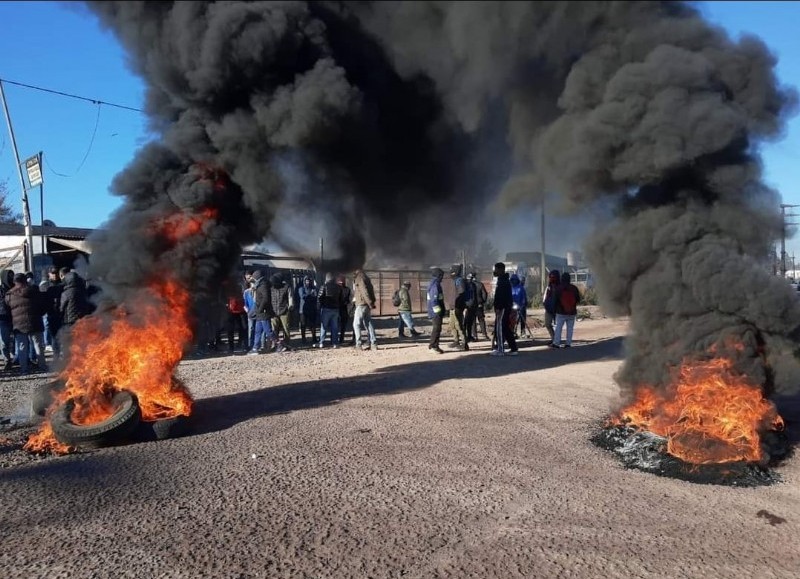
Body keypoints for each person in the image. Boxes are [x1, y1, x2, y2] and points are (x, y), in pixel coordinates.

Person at [6, 272, 46, 374]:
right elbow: (42, 305)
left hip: (18, 324)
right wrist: (41, 313)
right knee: (38, 345)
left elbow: (7, 307)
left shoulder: (9, 294)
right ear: (25, 280)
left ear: (15, 281)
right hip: (35, 321)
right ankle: (42, 366)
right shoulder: (34, 290)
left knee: (22, 347)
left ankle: (24, 369)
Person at [491, 262, 518, 356]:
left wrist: (498, 307)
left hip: (503, 308)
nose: (495, 271)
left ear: (501, 270)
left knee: (500, 328)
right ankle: (513, 348)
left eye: (496, 269)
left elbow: (501, 297)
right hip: (504, 307)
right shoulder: (502, 280)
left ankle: (500, 349)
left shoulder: (503, 281)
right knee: (506, 328)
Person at [552, 271, 581, 348]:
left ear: (562, 279)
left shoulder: (558, 288)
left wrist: (554, 311)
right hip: (572, 312)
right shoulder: (574, 288)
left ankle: (556, 343)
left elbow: (555, 301)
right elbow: (578, 300)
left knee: (558, 328)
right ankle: (568, 343)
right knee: (570, 328)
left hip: (560, 312)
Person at [249, 269, 275, 354]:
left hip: (264, 312)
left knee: (268, 331)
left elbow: (265, 298)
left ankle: (279, 344)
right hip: (260, 312)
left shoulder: (263, 285)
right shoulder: (259, 285)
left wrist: (260, 308)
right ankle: (255, 347)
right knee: (258, 331)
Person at [352, 269, 378, 350]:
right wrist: (371, 302)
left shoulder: (359, 278)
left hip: (361, 304)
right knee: (368, 323)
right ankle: (373, 343)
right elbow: (371, 290)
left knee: (356, 324)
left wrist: (370, 303)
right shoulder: (366, 277)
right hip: (365, 304)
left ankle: (358, 344)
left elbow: (364, 291)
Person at [317, 272, 343, 348]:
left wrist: (319, 307)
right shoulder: (339, 287)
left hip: (326, 308)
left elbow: (319, 298)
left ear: (326, 278)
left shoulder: (324, 286)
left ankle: (321, 342)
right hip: (335, 309)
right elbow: (341, 299)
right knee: (335, 327)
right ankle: (335, 343)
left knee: (324, 326)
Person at [269, 273, 292, 352]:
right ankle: (275, 344)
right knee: (274, 329)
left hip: (284, 310)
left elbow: (290, 297)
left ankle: (287, 344)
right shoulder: (271, 287)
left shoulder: (286, 287)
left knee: (286, 328)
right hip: (273, 311)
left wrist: (290, 306)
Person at [448, 264, 468, 351]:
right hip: (452, 306)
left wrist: (458, 306)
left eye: (452, 271)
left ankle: (464, 343)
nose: (450, 273)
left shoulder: (459, 281)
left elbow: (461, 293)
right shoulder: (453, 280)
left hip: (457, 307)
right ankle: (456, 341)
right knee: (452, 325)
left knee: (459, 325)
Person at [427, 268, 445, 354]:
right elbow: (434, 300)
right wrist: (438, 311)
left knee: (437, 328)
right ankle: (433, 346)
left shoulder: (433, 283)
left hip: (434, 311)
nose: (442, 278)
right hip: (435, 312)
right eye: (441, 276)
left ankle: (434, 345)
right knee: (437, 328)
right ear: (438, 276)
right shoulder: (435, 285)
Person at [297, 275, 318, 345]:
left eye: (309, 281)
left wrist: (311, 295)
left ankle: (314, 338)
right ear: (304, 281)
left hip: (311, 308)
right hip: (303, 309)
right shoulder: (301, 288)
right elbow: (302, 297)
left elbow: (315, 297)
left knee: (312, 324)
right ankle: (303, 338)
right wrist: (310, 294)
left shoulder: (313, 288)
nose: (308, 282)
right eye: (306, 281)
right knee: (303, 325)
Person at [0, 269, 14, 370]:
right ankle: (7, 360)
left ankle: (18, 358)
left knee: (17, 341)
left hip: (15, 317)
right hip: (4, 319)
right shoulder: (1, 290)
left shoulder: (15, 289)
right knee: (4, 342)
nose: (11, 278)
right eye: (9, 276)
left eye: (12, 276)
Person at [542, 270, 560, 346]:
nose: (552, 278)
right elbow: (545, 297)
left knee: (558, 326)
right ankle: (554, 338)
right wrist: (545, 304)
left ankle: (556, 340)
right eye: (551, 277)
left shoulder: (560, 287)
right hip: (549, 309)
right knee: (547, 324)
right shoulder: (548, 287)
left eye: (553, 277)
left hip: (558, 309)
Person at [510, 274, 531, 339]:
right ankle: (512, 332)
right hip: (512, 307)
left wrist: (522, 305)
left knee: (522, 320)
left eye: (515, 280)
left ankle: (522, 332)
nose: (514, 281)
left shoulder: (521, 288)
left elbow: (524, 297)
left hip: (521, 306)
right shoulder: (510, 288)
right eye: (513, 280)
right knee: (513, 320)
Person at [337, 275, 354, 345]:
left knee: (338, 325)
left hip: (339, 308)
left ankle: (338, 339)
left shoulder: (337, 289)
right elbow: (350, 299)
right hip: (345, 308)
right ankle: (341, 339)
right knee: (343, 325)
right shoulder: (348, 289)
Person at [471, 272, 489, 340]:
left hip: (472, 305)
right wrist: (483, 301)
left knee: (473, 321)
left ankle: (474, 335)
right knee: (481, 320)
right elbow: (485, 294)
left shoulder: (469, 284)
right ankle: (484, 334)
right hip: (479, 305)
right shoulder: (480, 284)